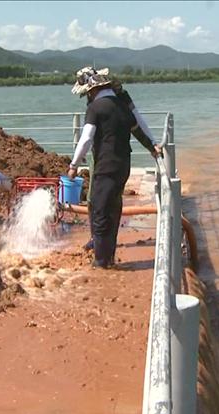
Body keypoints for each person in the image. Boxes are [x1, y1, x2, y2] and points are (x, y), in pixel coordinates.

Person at [67, 67, 159, 268]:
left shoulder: (96, 107)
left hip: (105, 167)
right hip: (123, 165)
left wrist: (74, 165)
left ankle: (101, 262)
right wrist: (152, 146)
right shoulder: (122, 104)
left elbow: (86, 139)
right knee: (113, 209)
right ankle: (108, 256)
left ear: (91, 90)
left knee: (100, 212)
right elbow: (138, 129)